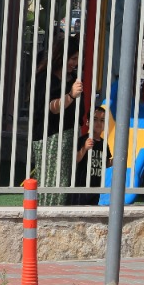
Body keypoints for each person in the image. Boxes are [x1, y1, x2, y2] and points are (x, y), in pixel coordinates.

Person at [30, 36, 83, 207]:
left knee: (63, 181)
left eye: (77, 59)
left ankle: (56, 213)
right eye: (73, 58)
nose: (75, 63)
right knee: (51, 181)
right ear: (62, 56)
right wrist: (70, 96)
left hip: (68, 136)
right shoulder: (45, 78)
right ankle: (46, 215)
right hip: (50, 137)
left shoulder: (72, 78)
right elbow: (51, 107)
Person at [67, 106, 109, 205]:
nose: (99, 123)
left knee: (92, 209)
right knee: (78, 209)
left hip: (96, 186)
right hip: (81, 185)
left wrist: (114, 161)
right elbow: (76, 159)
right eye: (95, 119)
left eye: (102, 120)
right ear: (87, 122)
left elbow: (105, 162)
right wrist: (84, 148)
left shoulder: (104, 144)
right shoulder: (83, 139)